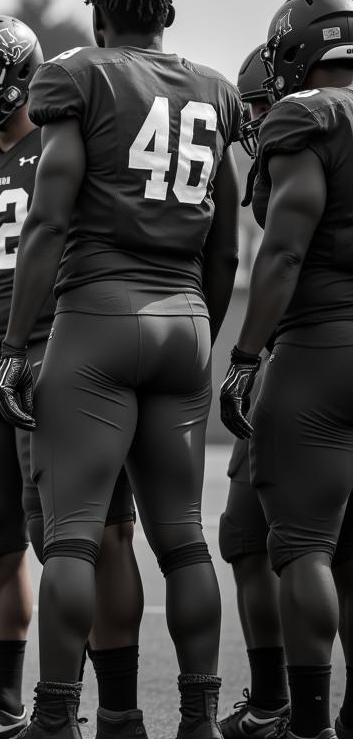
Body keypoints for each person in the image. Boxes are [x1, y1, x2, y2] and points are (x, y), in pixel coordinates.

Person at [0, 0, 241, 739]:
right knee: (182, 537)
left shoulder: (83, 77)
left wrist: (11, 346)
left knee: (74, 535)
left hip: (98, 315)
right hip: (187, 319)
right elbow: (228, 247)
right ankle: (199, 717)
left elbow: (48, 222)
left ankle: (58, 716)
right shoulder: (217, 91)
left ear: (101, 18)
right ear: (166, 15)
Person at [0, 16, 144, 739]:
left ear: (19, 73)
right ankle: (7, 706)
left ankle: (82, 706)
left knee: (71, 541)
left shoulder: (65, 140)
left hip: (58, 353)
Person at [220, 0, 353, 739]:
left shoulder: (309, 116)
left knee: (301, 547)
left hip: (318, 347)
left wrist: (245, 354)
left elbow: (286, 246)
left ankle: (303, 723)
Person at [216, 46, 288, 739]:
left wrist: (243, 357)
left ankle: (278, 705)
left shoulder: (306, 143)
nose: (259, 123)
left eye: (264, 105)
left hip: (310, 359)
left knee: (249, 534)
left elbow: (282, 255)